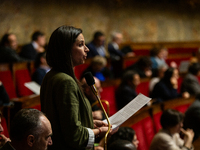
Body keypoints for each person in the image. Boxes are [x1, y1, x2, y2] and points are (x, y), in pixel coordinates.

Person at [40, 25, 113, 150]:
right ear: (65, 50)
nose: (87, 49)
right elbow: (74, 136)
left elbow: (64, 122)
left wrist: (90, 122)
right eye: (80, 45)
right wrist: (100, 131)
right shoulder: (65, 81)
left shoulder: (51, 75)